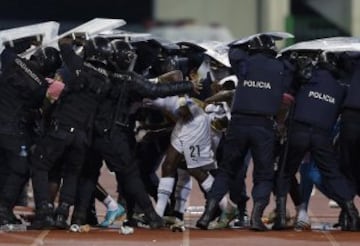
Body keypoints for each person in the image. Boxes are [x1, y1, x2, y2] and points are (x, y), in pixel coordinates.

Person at [71, 39, 202, 229]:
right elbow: (156, 90)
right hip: (114, 134)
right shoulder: (128, 79)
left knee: (88, 174)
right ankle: (151, 216)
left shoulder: (98, 74)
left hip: (92, 132)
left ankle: (79, 216)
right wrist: (187, 86)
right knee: (131, 175)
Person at [196, 33, 295, 231]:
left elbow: (233, 50)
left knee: (226, 170)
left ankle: (208, 215)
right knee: (264, 175)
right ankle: (256, 218)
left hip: (239, 123)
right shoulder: (280, 67)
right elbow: (292, 71)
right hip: (264, 126)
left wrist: (245, 41)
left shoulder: (244, 62)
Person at [30, 36, 113, 229]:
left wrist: (79, 40)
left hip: (63, 128)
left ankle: (44, 211)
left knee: (39, 165)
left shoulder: (79, 67)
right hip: (83, 136)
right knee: (72, 175)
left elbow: (63, 44)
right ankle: (62, 214)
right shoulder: (107, 81)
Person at [273, 51, 360, 231]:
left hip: (299, 130)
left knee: (285, 172)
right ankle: (351, 213)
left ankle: (281, 216)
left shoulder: (306, 78)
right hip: (322, 134)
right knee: (332, 173)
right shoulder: (341, 87)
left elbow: (288, 94)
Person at [0, 45, 61, 225]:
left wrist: (28, 42)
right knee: (20, 170)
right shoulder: (41, 86)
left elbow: (5, 49)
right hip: (13, 131)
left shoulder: (13, 60)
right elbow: (35, 108)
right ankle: (3, 209)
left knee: (3, 168)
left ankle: (4, 210)